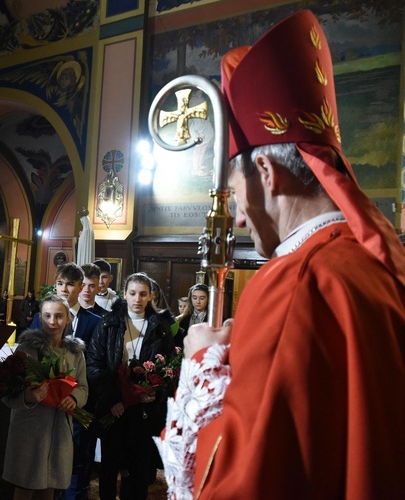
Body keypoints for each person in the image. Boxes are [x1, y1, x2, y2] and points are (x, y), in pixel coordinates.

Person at [156, 10, 405, 498]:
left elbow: (238, 481)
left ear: (266, 173)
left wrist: (203, 362)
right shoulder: (372, 266)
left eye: (235, 193)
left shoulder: (297, 282)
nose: (240, 218)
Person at [88, 273, 176, 500]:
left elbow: (170, 368)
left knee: (138, 470)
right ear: (124, 293)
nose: (137, 298)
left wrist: (155, 393)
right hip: (114, 409)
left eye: (143, 294)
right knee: (110, 468)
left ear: (151, 296)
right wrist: (113, 399)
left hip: (144, 410)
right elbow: (95, 365)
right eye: (133, 293)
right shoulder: (107, 323)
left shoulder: (161, 327)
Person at [2, 295, 88, 500]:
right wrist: (28, 395)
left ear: (68, 319)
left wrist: (74, 399)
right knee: (25, 485)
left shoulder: (75, 353)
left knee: (49, 485)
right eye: (48, 316)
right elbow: (6, 389)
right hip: (30, 430)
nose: (53, 322)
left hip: (60, 430)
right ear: (40, 318)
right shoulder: (26, 350)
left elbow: (83, 387)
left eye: (59, 316)